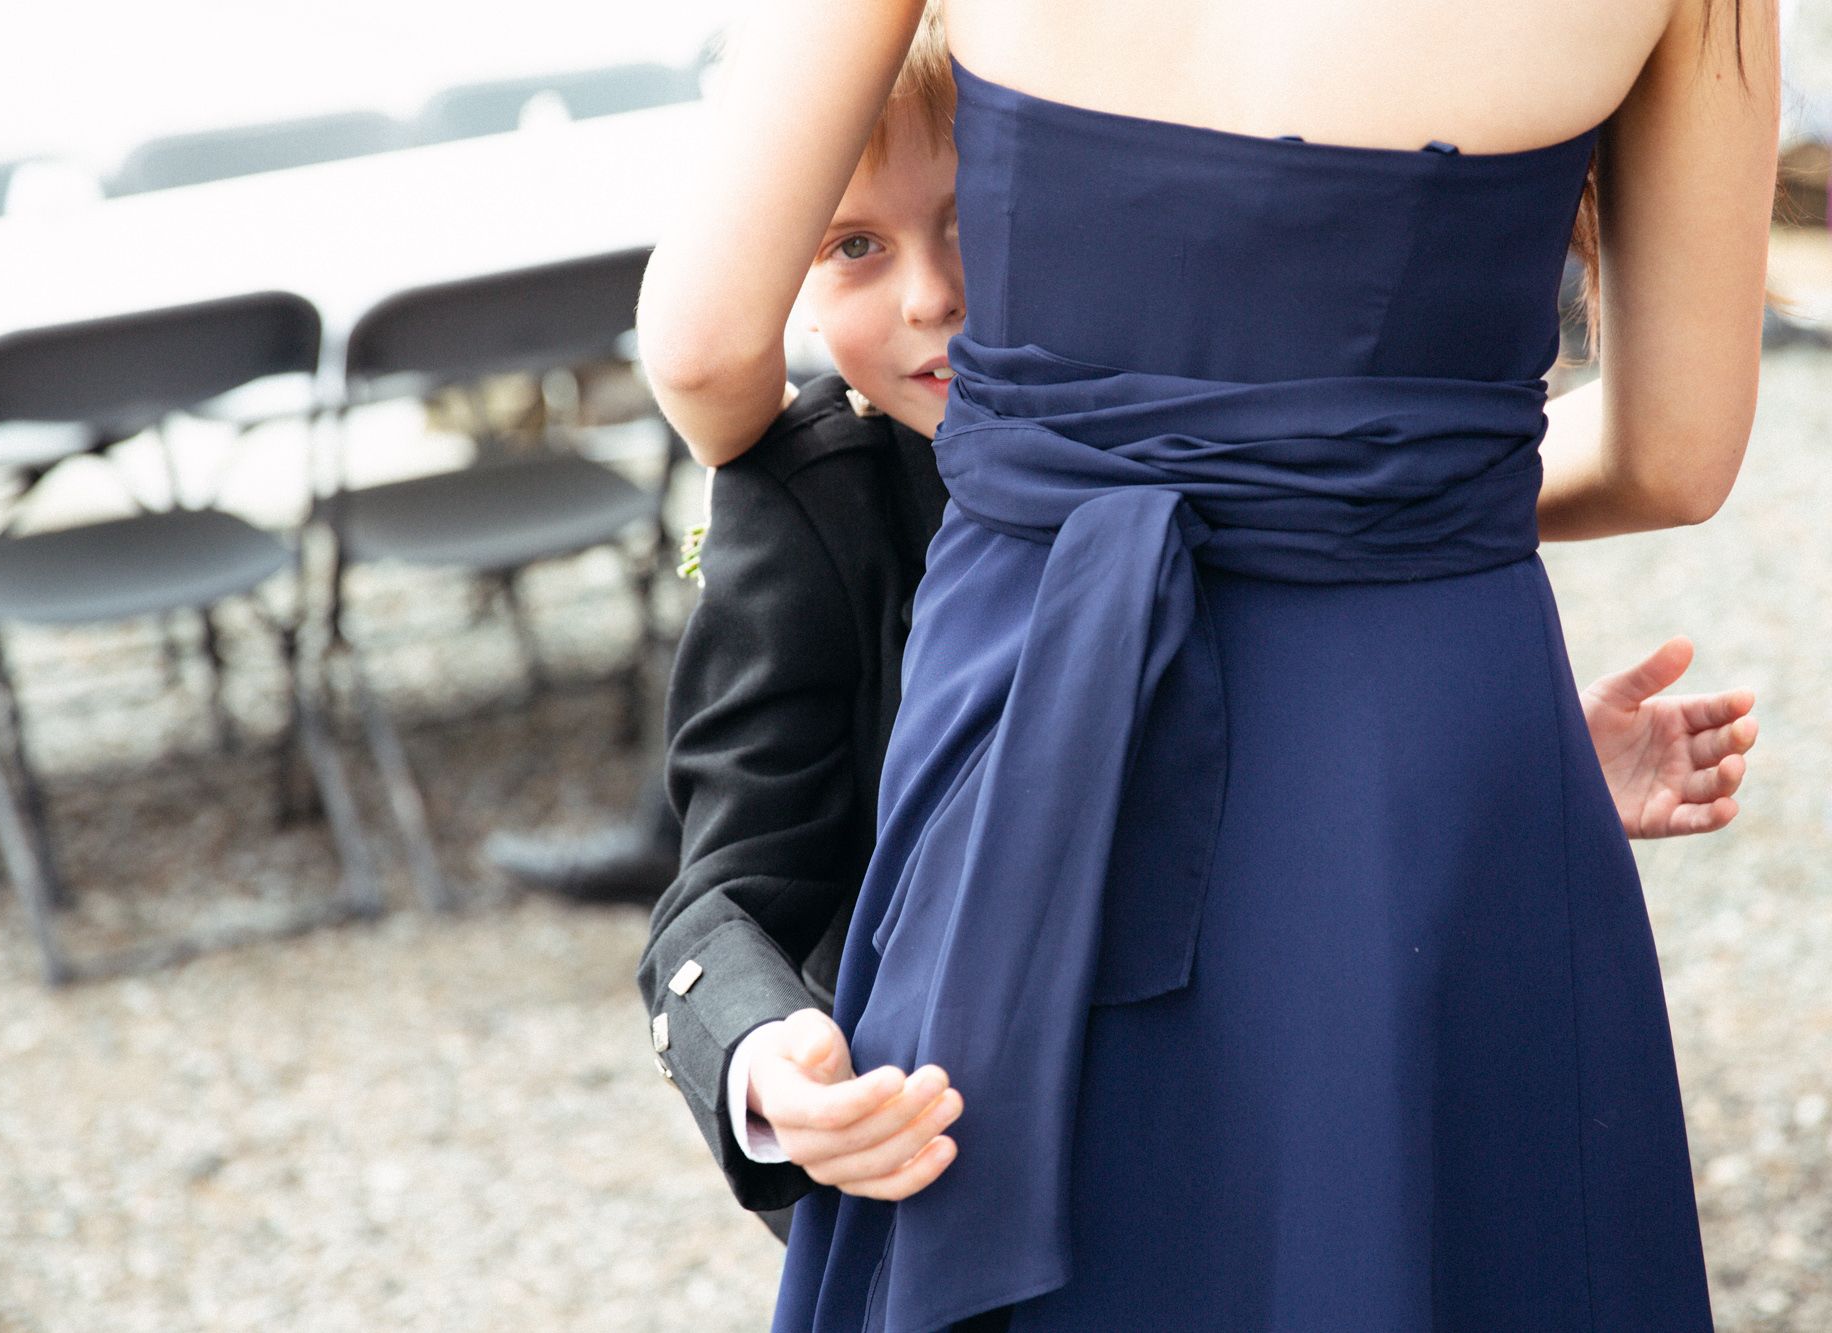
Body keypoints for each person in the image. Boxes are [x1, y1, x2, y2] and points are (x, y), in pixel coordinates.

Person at [638, 0, 1778, 1327]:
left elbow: (705, 342)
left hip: (1033, 686)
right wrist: (1365, 512)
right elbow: (1673, 456)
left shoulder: (831, 473)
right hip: (1424, 714)